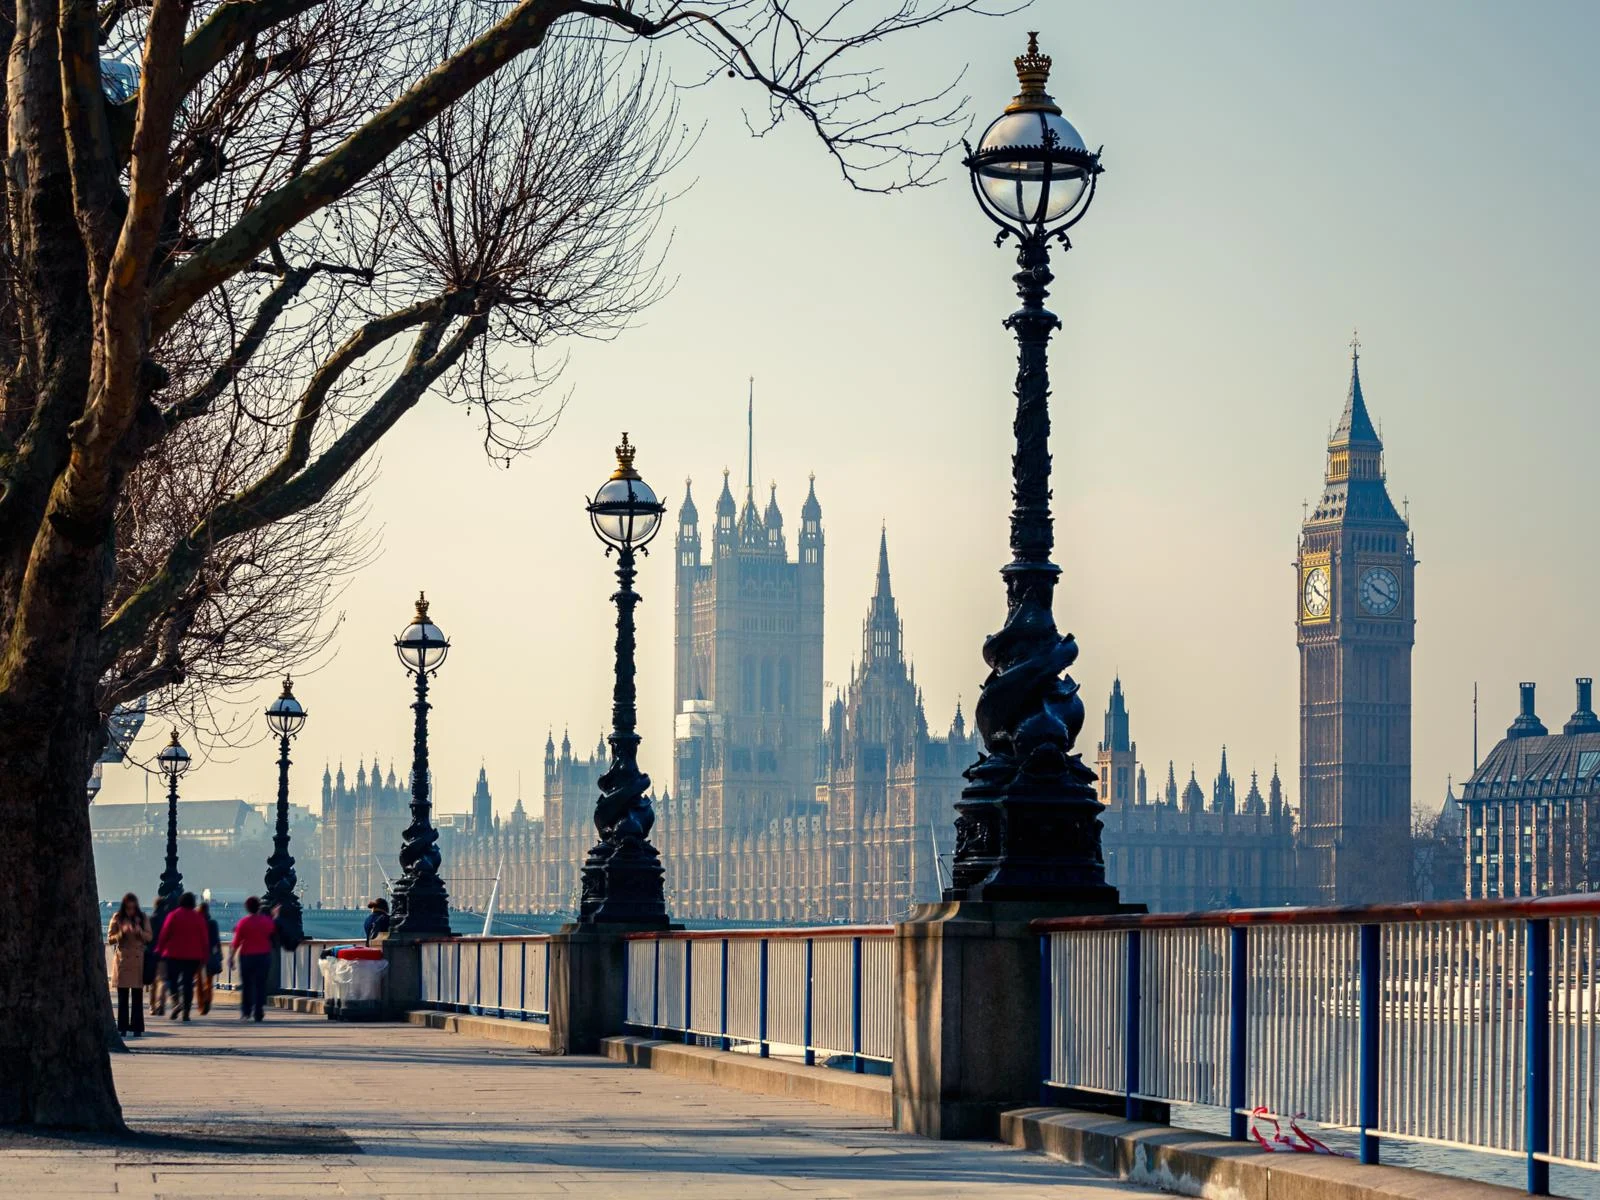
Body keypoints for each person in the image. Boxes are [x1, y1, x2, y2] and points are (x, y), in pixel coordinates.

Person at [154, 892, 209, 1022]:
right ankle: (186, 1011)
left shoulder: (173, 915)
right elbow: (204, 938)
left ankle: (176, 1002)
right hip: (193, 956)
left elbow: (164, 934)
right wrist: (205, 955)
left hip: (174, 954)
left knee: (172, 981)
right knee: (188, 983)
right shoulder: (198, 917)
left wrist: (159, 949)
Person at [107, 893, 151, 1037]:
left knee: (137, 997)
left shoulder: (143, 918)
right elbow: (110, 938)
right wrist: (121, 933)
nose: (131, 911)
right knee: (123, 997)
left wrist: (139, 932)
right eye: (128, 908)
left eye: (133, 908)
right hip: (123, 960)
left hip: (137, 959)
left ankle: (137, 1027)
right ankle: (123, 1027)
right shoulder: (117, 917)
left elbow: (149, 936)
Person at [230, 895, 277, 1022]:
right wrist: (273, 916)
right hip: (263, 956)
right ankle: (258, 1011)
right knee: (260, 984)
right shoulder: (266, 921)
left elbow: (236, 942)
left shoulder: (243, 922)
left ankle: (246, 1011)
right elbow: (272, 929)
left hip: (246, 956)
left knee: (247, 985)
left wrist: (231, 957)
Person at [145, 895, 171, 1016]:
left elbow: (146, 937)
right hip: (164, 953)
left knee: (153, 982)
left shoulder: (151, 919)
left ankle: (152, 1006)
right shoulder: (167, 920)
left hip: (151, 953)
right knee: (163, 979)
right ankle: (161, 1004)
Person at [197, 901, 223, 1016]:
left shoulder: (197, 922)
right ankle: (208, 999)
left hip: (197, 954)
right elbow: (217, 940)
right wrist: (220, 954)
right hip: (210, 954)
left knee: (198, 980)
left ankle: (201, 1003)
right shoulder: (213, 923)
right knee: (209, 980)